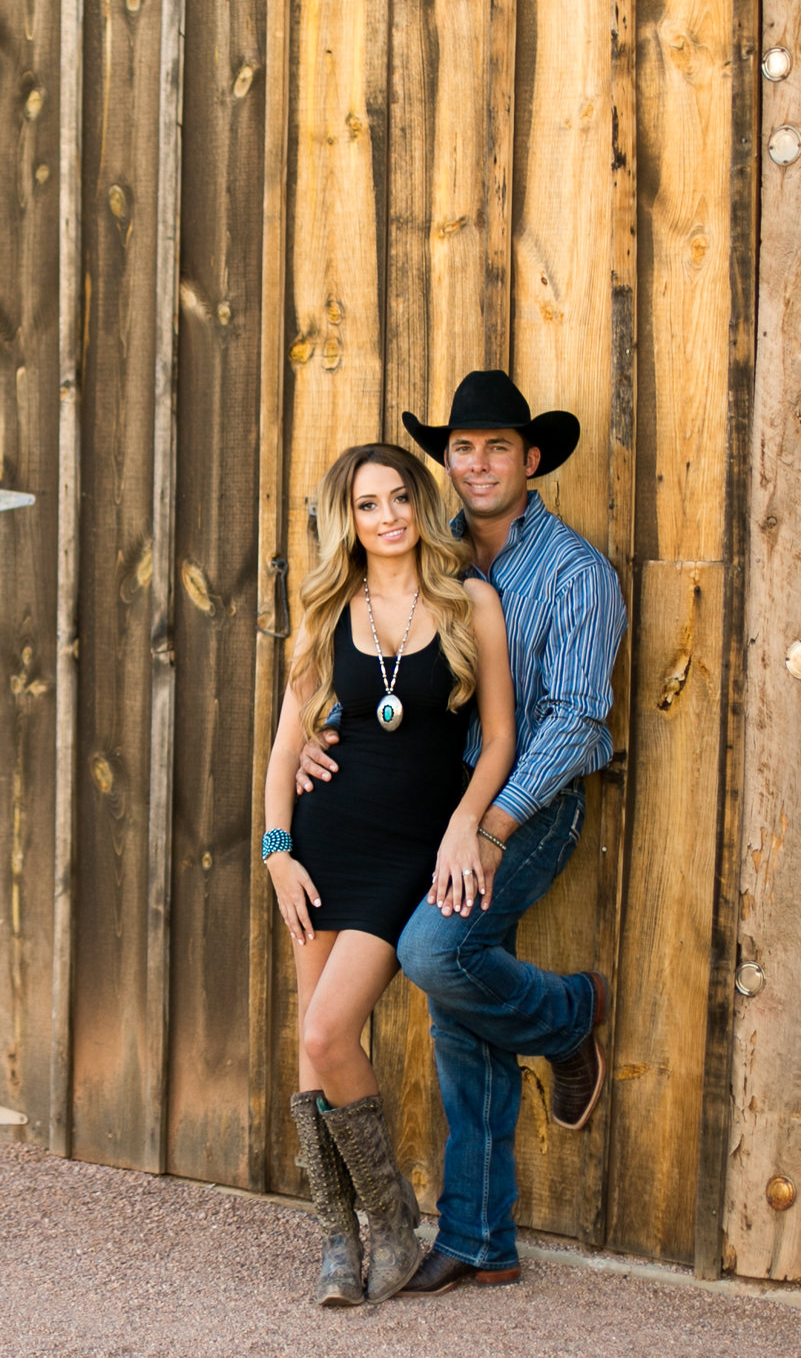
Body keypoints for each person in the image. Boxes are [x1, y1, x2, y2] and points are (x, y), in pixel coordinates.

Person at [296, 370, 625, 1297]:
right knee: (454, 992)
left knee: (438, 950)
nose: (478, 463)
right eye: (463, 447)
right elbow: (369, 662)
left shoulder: (575, 574)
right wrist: (327, 731)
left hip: (529, 806)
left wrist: (489, 824)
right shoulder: (427, 554)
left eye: (498, 447)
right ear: (448, 461)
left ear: (531, 460)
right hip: (431, 815)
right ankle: (480, 1238)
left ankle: (569, 1017)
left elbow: (573, 721)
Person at [259, 442, 516, 1306]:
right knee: (313, 1047)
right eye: (369, 505)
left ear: (419, 503)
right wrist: (277, 855)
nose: (390, 517)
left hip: (410, 852)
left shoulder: (469, 601)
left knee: (330, 1034)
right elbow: (284, 750)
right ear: (350, 520)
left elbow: (502, 741)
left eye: (401, 497)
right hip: (323, 849)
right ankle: (340, 1241)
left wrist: (463, 823)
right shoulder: (329, 608)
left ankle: (394, 1223)